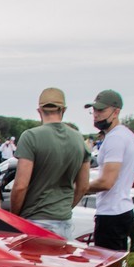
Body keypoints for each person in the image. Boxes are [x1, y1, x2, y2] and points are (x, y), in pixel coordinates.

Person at [8, 87, 92, 241]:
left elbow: (20, 186)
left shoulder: (30, 137)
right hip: (64, 220)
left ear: (39, 110)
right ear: (63, 110)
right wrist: (65, 207)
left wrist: (15, 216)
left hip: (35, 220)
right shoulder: (79, 139)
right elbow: (84, 186)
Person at [84, 89, 134, 252]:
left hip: (112, 213)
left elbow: (107, 181)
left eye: (101, 110)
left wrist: (81, 188)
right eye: (94, 110)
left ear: (116, 112)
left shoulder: (115, 138)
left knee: (107, 265)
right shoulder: (126, 135)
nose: (96, 115)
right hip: (120, 209)